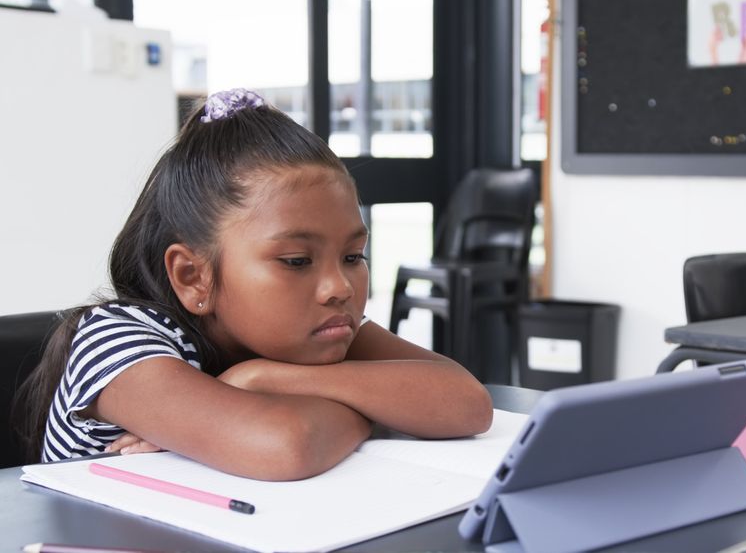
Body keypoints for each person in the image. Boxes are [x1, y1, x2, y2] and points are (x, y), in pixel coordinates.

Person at [14, 89, 493, 481]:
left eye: (353, 256)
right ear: (192, 276)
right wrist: (382, 406)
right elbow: (288, 444)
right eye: (296, 260)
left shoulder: (313, 328)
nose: (339, 286)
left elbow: (467, 404)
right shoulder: (114, 340)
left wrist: (266, 377)